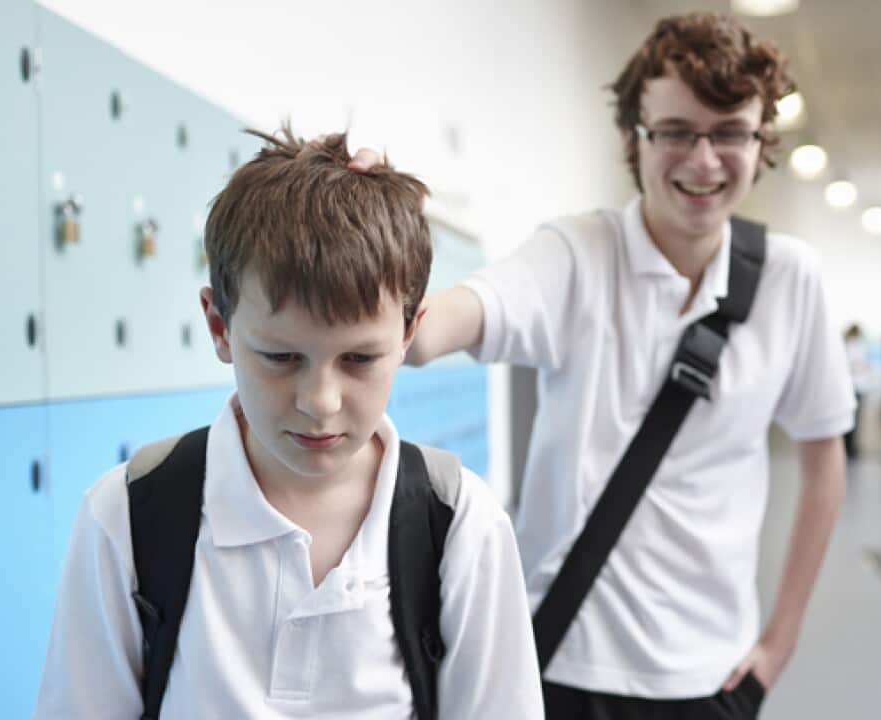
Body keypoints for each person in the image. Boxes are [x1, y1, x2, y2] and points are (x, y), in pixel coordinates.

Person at [361, 12, 855, 718]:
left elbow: (823, 452)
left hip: (712, 673)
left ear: (760, 139)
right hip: (559, 653)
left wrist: (780, 643)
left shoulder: (789, 279)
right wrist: (367, 237)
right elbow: (443, 325)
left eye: (729, 133)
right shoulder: (578, 255)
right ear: (634, 137)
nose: (704, 160)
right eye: (677, 132)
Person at [34, 130, 543, 719]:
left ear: (408, 333)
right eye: (281, 358)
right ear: (220, 327)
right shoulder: (127, 516)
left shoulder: (460, 527)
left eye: (359, 359)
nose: (320, 402)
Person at [843, 323, 870, 458]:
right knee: (850, 419)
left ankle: (850, 447)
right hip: (852, 387)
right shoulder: (849, 347)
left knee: (851, 419)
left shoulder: (856, 347)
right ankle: (848, 447)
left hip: (856, 386)